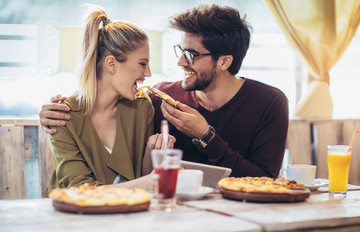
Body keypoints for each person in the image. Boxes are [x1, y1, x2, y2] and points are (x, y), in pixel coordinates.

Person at [40, 4, 288, 179]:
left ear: (224, 62)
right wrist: (53, 112)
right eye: (179, 50)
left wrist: (206, 136)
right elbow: (103, 93)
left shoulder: (270, 102)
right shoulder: (155, 100)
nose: (180, 62)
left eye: (191, 54)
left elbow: (265, 180)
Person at [43, 5, 174, 196]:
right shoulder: (62, 117)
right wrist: (149, 181)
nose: (148, 73)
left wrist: (151, 153)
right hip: (71, 218)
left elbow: (142, 179)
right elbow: (81, 191)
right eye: (142, 64)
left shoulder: (142, 106)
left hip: (124, 215)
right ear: (111, 64)